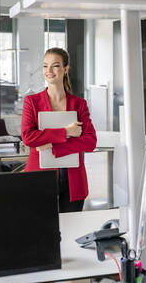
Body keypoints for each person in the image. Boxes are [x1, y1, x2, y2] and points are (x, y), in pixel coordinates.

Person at [21, 47, 97, 213]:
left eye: (55, 65)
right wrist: (67, 132)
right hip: (40, 178)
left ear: (65, 69)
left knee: (72, 231)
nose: (49, 71)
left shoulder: (79, 104)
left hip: (73, 181)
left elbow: (90, 142)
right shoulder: (31, 102)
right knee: (42, 232)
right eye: (45, 66)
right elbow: (28, 137)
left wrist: (52, 146)